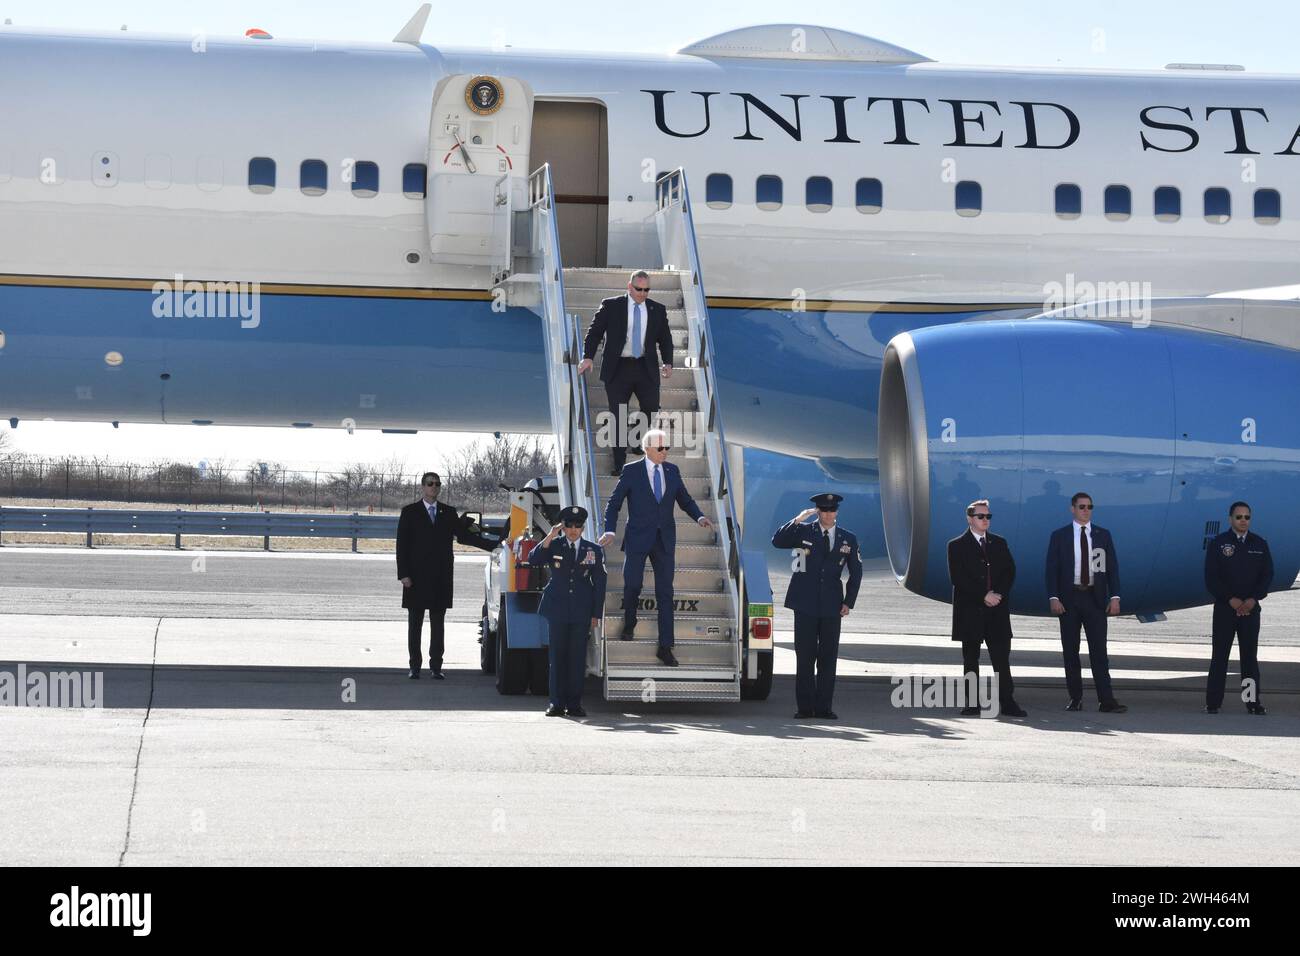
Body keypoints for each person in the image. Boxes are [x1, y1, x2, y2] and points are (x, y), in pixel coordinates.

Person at [599, 429, 712, 667]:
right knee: (632, 584)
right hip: (638, 538)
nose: (665, 452)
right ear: (647, 449)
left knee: (665, 593)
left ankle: (665, 646)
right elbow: (614, 503)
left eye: (667, 447)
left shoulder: (672, 471)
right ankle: (630, 622)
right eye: (660, 448)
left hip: (664, 540)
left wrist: (699, 517)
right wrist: (609, 530)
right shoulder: (631, 471)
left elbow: (685, 499)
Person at [396, 472, 497, 679]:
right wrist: (403, 574)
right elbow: (401, 545)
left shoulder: (448, 512)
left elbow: (465, 537)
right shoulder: (410, 512)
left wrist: (495, 545)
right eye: (430, 484)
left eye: (437, 484)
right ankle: (415, 666)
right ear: (423, 487)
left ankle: (436, 667)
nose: (434, 487)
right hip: (415, 577)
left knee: (438, 624)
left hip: (440, 576)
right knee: (415, 624)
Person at [772, 493, 862, 720]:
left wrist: (848, 602)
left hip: (832, 606)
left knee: (828, 658)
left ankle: (824, 708)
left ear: (836, 512)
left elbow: (856, 573)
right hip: (805, 604)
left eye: (831, 510)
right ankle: (804, 708)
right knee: (805, 657)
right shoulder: (803, 531)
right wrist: (798, 520)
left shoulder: (847, 538)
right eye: (823, 511)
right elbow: (778, 541)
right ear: (818, 512)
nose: (827, 514)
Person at [578, 270, 673, 475]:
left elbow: (665, 338)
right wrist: (587, 357)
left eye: (646, 290)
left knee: (650, 407)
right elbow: (594, 332)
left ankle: (638, 440)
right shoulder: (611, 306)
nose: (642, 293)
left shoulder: (657, 309)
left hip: (645, 367)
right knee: (619, 415)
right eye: (638, 289)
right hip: (618, 367)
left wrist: (668, 362)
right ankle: (619, 465)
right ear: (629, 287)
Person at [1045, 492, 1127, 713]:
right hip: (1069, 599)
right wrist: (1054, 597)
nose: (1086, 510)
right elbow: (1052, 570)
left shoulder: (1101, 535)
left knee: (1099, 651)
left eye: (1089, 507)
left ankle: (1106, 700)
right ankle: (1075, 698)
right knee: (1071, 651)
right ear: (1072, 509)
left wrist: (1115, 596)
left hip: (1094, 598)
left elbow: (1111, 568)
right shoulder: (1060, 536)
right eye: (1081, 506)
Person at [946, 500, 1026, 718]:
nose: (985, 520)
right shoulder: (956, 545)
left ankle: (1007, 702)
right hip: (971, 610)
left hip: (996, 610)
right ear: (970, 519)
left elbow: (1009, 571)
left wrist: (997, 594)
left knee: (1001, 659)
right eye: (981, 516)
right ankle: (972, 703)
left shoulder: (999, 543)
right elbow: (958, 578)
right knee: (970, 658)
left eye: (988, 517)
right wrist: (983, 595)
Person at [528, 505, 606, 718]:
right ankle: (556, 703)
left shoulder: (593, 550)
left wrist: (596, 614)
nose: (573, 529)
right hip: (557, 609)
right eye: (569, 526)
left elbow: (599, 583)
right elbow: (533, 559)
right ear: (563, 527)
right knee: (557, 657)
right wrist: (550, 536)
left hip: (581, 611)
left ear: (582, 528)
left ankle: (574, 704)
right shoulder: (555, 545)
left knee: (576, 658)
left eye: (577, 526)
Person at [1204, 501, 1274, 715]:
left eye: (1247, 517)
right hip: (1226, 609)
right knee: (1220, 657)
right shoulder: (1219, 543)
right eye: (1239, 517)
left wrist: (1253, 599)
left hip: (1250, 610)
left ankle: (1252, 702)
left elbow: (1267, 575)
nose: (1243, 521)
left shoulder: (1259, 544)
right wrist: (1230, 599)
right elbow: (1211, 577)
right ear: (1230, 519)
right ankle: (1213, 703)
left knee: (1249, 659)